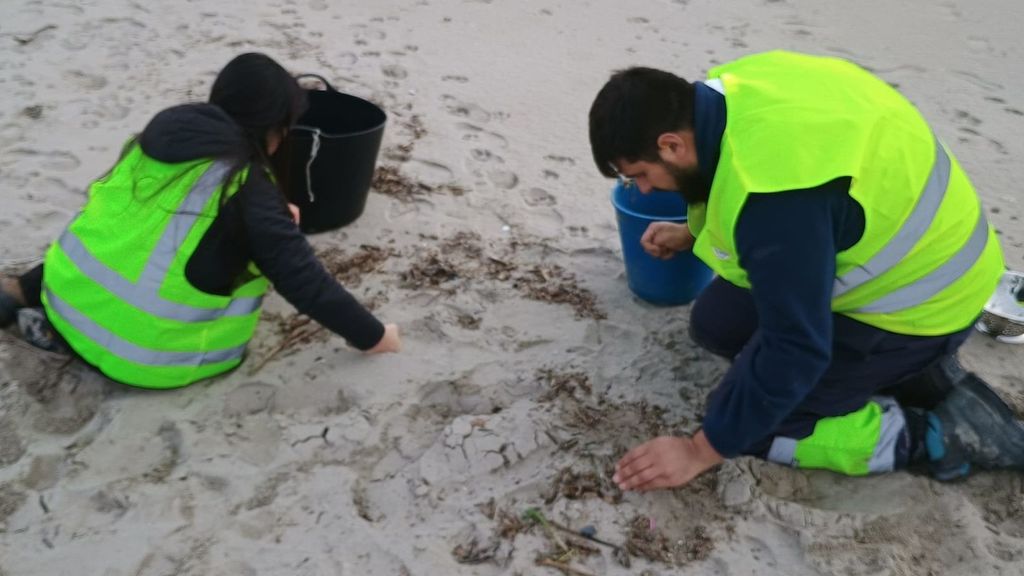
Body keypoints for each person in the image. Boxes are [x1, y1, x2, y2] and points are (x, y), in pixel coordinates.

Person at [588, 50, 1024, 490]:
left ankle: (939, 437)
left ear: (671, 145)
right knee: (715, 326)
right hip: (915, 249)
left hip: (924, 302)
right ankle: (914, 374)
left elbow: (795, 346)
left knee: (758, 427)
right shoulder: (735, 89)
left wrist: (701, 449)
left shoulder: (775, 200)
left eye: (639, 175)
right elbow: (771, 204)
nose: (643, 189)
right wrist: (691, 232)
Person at [0, 53, 400, 389]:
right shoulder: (244, 189)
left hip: (62, 295)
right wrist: (376, 337)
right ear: (273, 127)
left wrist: (273, 214)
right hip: (143, 358)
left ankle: (21, 292)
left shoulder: (157, 140)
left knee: (134, 237)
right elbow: (305, 282)